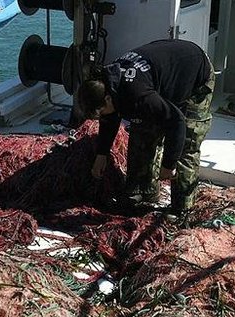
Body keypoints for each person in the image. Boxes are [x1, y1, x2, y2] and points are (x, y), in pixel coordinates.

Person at [77, 39, 215, 218]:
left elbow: (176, 122)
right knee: (142, 134)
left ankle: (183, 211)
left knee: (186, 147)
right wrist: (101, 154)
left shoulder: (137, 95)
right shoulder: (105, 83)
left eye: (100, 112)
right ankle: (143, 192)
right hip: (161, 77)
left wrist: (169, 164)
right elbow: (109, 119)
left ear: (108, 99)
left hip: (195, 73)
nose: (102, 117)